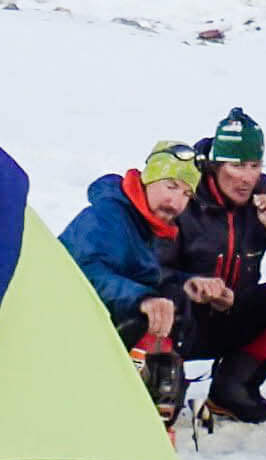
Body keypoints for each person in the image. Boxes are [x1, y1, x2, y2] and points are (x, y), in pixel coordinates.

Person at [171, 105, 266, 423]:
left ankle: (235, 386)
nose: (246, 177)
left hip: (234, 311)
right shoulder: (185, 190)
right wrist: (193, 286)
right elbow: (154, 264)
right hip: (182, 315)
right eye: (237, 165)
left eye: (254, 165)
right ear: (215, 165)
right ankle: (159, 390)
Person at [60, 138, 198, 420]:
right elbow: (82, 273)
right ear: (149, 179)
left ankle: (152, 402)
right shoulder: (107, 217)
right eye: (170, 186)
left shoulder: (144, 226)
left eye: (186, 194)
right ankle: (118, 407)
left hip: (86, 323)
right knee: (142, 317)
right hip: (61, 327)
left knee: (174, 302)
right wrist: (141, 299)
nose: (176, 202)